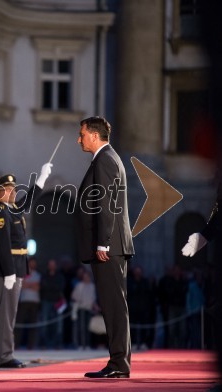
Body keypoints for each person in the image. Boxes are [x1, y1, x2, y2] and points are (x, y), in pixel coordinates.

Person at [76, 116, 134, 378]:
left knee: (113, 305)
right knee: (113, 305)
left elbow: (107, 204)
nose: (79, 139)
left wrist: (103, 242)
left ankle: (119, 364)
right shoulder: (107, 158)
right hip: (111, 245)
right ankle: (118, 361)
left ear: (94, 136)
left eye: (82, 134)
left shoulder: (105, 160)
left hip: (109, 246)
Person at [0, 162, 52, 368]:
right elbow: (2, 245)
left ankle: (5, 353)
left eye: (14, 189)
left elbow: (29, 200)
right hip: (8, 270)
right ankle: (4, 356)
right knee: (6, 315)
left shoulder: (12, 210)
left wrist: (42, 179)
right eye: (8, 190)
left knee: (10, 314)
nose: (13, 192)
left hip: (16, 268)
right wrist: (8, 272)